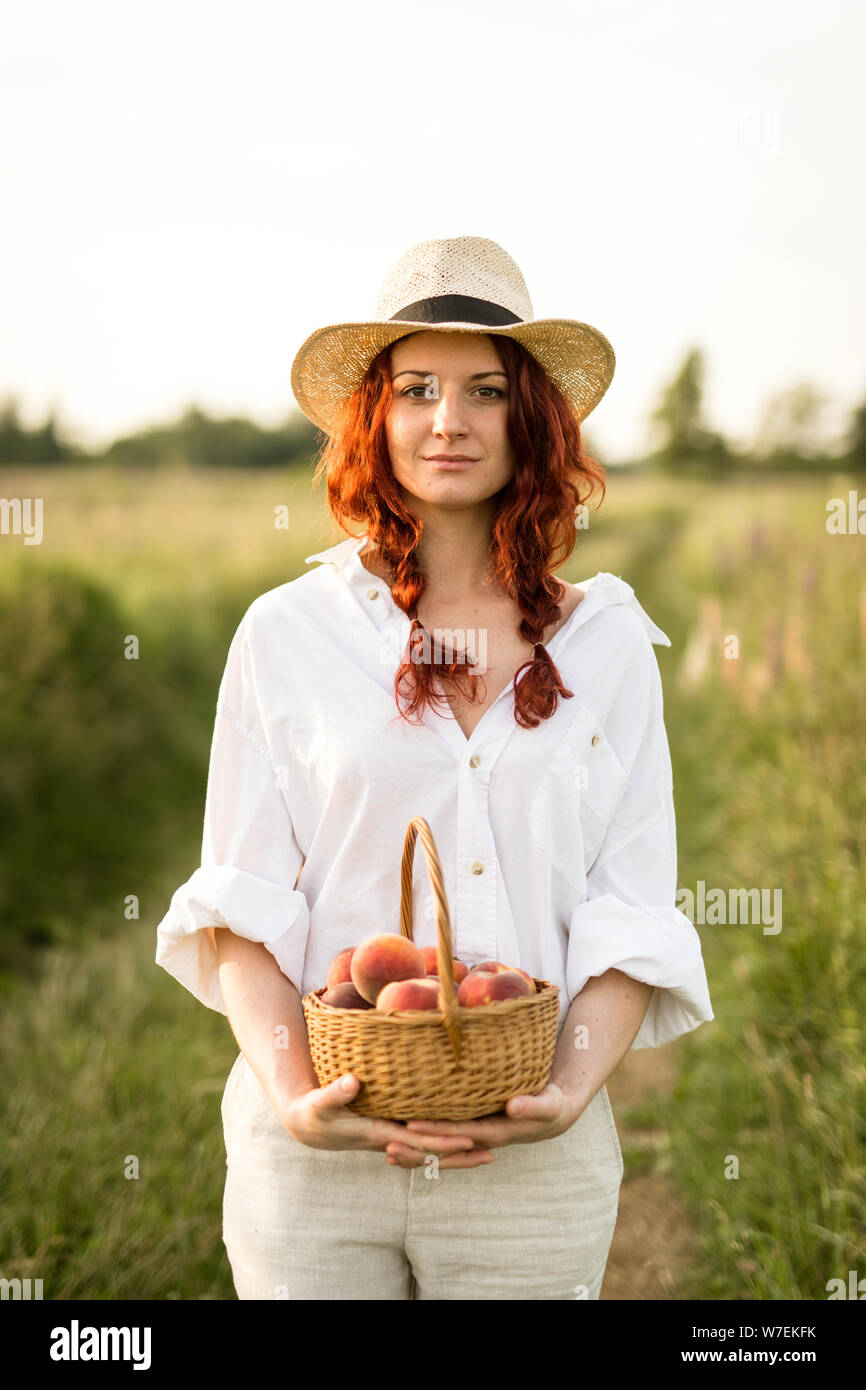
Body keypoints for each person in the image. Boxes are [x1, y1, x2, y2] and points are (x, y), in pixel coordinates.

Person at [155, 235, 714, 1300]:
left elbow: (630, 906)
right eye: (415, 388)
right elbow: (240, 901)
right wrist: (291, 1095)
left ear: (531, 419)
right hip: (317, 1154)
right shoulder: (287, 633)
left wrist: (566, 1088)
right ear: (377, 415)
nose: (446, 420)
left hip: (530, 1164)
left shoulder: (604, 646)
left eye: (483, 391)